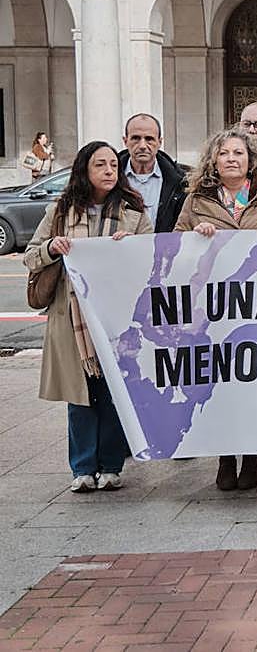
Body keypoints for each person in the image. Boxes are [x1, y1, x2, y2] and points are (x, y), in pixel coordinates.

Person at [174, 127, 257, 491]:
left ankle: (251, 455)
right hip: (215, 309)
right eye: (225, 153)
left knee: (251, 381)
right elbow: (174, 249)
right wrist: (193, 235)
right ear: (213, 160)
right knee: (220, 383)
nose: (231, 159)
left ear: (251, 161)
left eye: (239, 153)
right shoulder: (196, 201)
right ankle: (225, 455)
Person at [25, 142, 152, 492]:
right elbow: (32, 255)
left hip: (115, 318)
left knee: (112, 392)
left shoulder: (133, 213)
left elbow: (152, 262)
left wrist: (131, 249)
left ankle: (111, 465)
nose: (110, 170)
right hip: (71, 319)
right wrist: (53, 248)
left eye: (113, 164)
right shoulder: (60, 211)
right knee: (79, 396)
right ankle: (82, 468)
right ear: (84, 170)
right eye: (101, 164)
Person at [118, 114, 188, 233]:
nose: (142, 146)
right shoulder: (110, 178)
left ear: (160, 142)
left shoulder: (181, 182)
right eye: (136, 138)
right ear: (125, 141)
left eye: (149, 139)